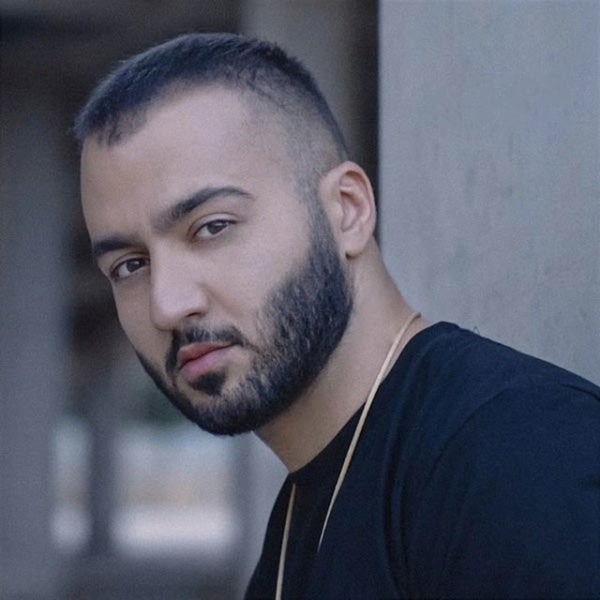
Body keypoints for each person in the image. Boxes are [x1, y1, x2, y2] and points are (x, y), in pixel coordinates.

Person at [75, 33, 599, 599]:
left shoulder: (512, 455)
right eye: (130, 265)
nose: (168, 304)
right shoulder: (302, 517)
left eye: (212, 227)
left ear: (347, 211)